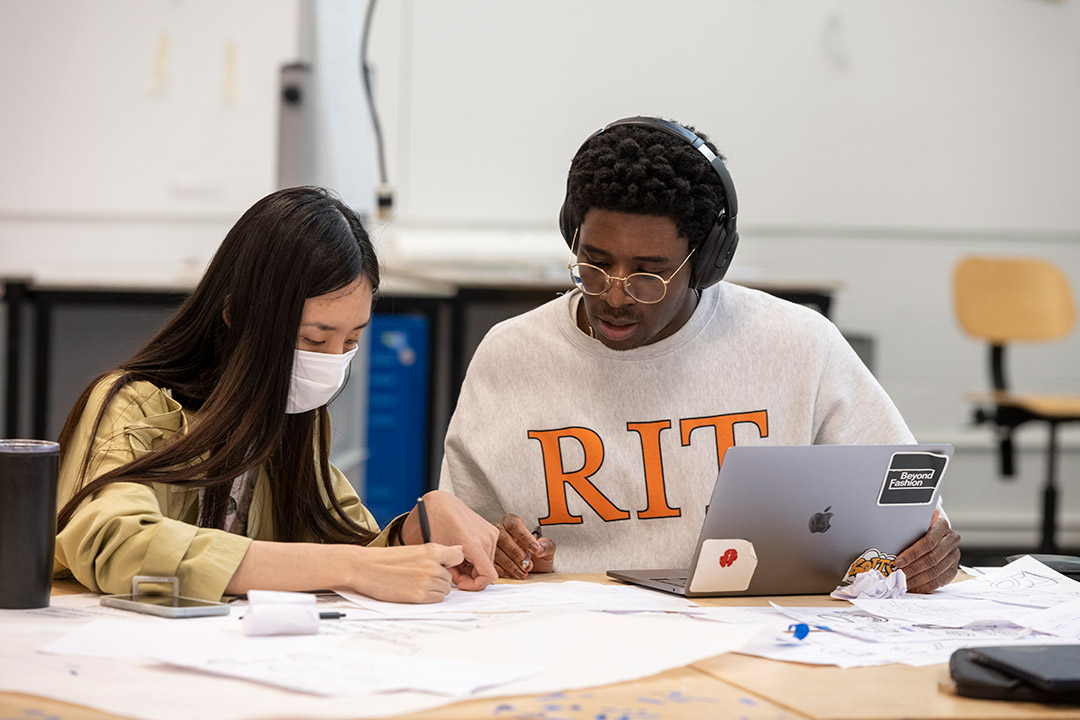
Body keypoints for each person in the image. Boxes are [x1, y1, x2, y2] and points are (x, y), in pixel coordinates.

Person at [439, 116, 960, 593]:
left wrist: (926, 550)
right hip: (574, 640)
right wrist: (498, 551)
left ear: (707, 263)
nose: (616, 296)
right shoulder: (510, 356)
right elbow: (460, 544)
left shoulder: (798, 344)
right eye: (594, 265)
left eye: (649, 274)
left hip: (762, 638)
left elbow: (910, 506)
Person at [54, 186, 498, 603]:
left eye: (350, 341)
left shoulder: (293, 417)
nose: (332, 361)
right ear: (236, 315)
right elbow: (116, 542)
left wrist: (421, 526)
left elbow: (347, 542)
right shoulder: (133, 404)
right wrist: (353, 566)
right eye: (314, 339)